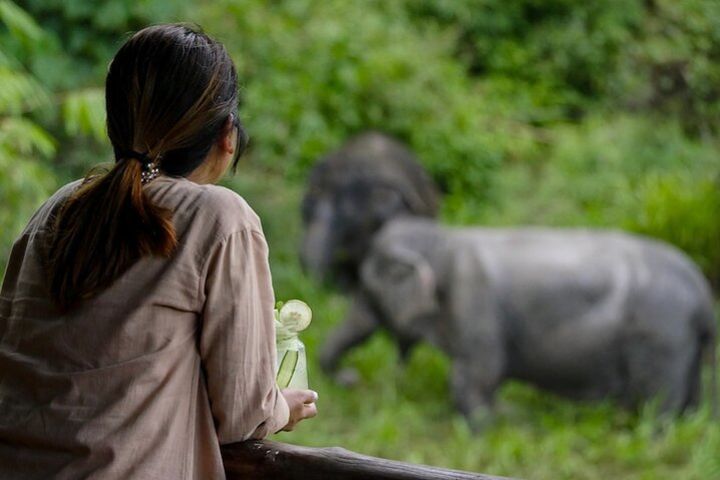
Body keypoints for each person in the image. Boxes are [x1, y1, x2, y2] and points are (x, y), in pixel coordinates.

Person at [0, 24, 317, 479]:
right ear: (227, 136)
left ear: (114, 125)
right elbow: (243, 414)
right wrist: (280, 407)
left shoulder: (58, 206)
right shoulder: (221, 218)